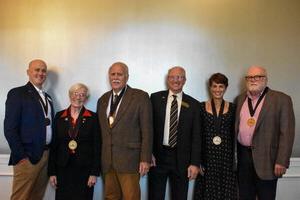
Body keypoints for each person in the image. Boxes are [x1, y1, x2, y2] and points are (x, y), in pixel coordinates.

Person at [236, 65, 295, 200]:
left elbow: (287, 133)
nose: (253, 80)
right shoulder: (240, 99)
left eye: (258, 76)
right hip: (243, 158)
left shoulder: (282, 100)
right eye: (250, 77)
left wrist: (282, 161)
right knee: (244, 196)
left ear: (266, 79)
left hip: (268, 160)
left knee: (266, 197)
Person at [96, 62, 153, 200]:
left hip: (130, 161)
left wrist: (145, 159)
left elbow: (147, 130)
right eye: (112, 74)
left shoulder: (140, 97)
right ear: (109, 76)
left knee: (131, 197)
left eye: (119, 74)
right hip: (107, 161)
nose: (115, 77)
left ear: (127, 77)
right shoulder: (102, 100)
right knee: (110, 197)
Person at [4, 59, 54, 200]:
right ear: (28, 72)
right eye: (37, 70)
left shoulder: (48, 97)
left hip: (46, 155)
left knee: (37, 197)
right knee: (21, 197)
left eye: (43, 70)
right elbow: (9, 128)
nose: (40, 73)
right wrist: (21, 156)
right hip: (27, 157)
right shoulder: (17, 93)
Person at [148, 66, 201, 200]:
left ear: (185, 80)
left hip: (182, 159)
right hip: (157, 158)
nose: (176, 80)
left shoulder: (194, 104)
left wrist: (194, 163)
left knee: (180, 196)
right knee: (155, 195)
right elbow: (148, 128)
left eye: (179, 77)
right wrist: (148, 153)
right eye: (172, 77)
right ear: (167, 79)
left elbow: (196, 136)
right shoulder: (154, 98)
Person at [48, 83, 100, 200]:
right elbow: (54, 145)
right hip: (62, 169)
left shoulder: (93, 117)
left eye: (82, 95)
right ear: (70, 95)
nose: (78, 97)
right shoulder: (59, 116)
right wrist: (52, 172)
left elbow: (97, 146)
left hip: (85, 170)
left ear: (86, 99)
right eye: (75, 94)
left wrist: (94, 173)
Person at [193, 73, 237, 200]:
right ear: (210, 87)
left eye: (221, 86)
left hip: (226, 159)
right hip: (207, 158)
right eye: (214, 86)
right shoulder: (200, 107)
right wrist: (197, 161)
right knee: (208, 193)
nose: (217, 89)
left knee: (227, 193)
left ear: (226, 88)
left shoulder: (233, 108)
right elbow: (197, 135)